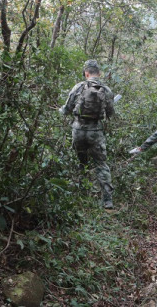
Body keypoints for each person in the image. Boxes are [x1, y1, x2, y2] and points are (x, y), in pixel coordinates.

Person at [60, 60, 116, 209]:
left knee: (81, 162)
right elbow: (111, 113)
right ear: (99, 73)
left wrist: (62, 110)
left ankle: (82, 193)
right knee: (101, 164)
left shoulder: (78, 87)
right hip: (95, 133)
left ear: (86, 73)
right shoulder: (106, 90)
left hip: (78, 131)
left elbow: (66, 109)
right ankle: (107, 200)